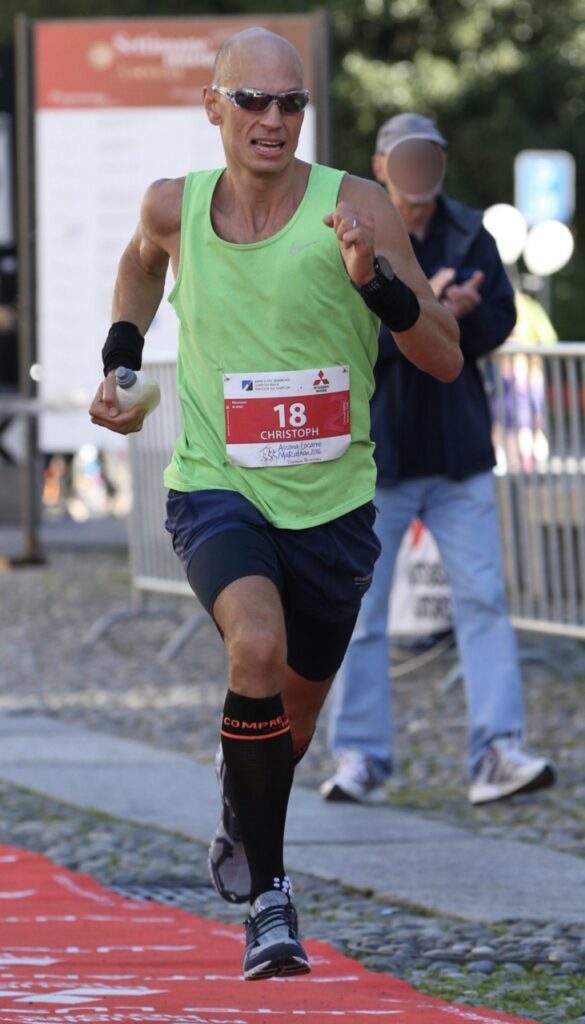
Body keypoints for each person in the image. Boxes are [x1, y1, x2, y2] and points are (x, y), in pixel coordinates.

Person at [89, 43, 461, 981]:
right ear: (213, 105)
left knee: (285, 735)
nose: (273, 118)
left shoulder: (358, 205)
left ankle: (242, 800)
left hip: (332, 506)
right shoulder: (176, 205)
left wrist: (374, 282)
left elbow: (445, 355)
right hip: (218, 485)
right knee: (251, 645)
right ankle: (269, 902)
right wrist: (122, 357)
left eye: (290, 102)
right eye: (251, 99)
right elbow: (139, 267)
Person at [321, 113, 555, 809]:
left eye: (429, 157)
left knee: (484, 601)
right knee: (360, 614)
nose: (419, 169)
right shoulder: (353, 229)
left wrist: (450, 318)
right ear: (383, 163)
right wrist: (424, 316)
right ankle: (359, 756)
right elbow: (345, 333)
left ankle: (496, 749)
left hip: (457, 454)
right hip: (380, 455)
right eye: (407, 157)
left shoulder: (469, 231)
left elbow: (499, 323)